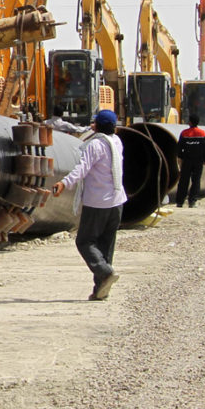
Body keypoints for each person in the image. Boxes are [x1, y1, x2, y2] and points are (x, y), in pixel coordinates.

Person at [52, 109, 126, 301]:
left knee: (84, 242)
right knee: (106, 246)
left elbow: (81, 169)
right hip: (117, 201)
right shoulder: (117, 142)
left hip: (97, 203)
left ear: (97, 125)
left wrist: (64, 183)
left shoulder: (96, 145)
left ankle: (105, 273)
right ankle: (101, 289)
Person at [176, 114, 205, 208]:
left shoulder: (184, 133)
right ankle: (192, 202)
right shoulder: (202, 133)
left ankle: (180, 202)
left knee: (183, 181)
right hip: (198, 161)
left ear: (190, 122)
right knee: (196, 181)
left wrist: (180, 158)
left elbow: (179, 147)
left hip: (187, 160)